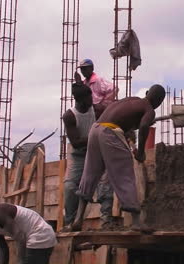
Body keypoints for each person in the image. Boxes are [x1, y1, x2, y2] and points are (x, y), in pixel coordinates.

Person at [69, 84, 166, 232]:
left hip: (95, 129)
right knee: (125, 173)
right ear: (159, 102)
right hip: (109, 131)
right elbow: (145, 126)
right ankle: (136, 222)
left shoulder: (131, 100)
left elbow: (124, 121)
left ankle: (78, 220)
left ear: (146, 92)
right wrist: (140, 153)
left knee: (90, 174)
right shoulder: (148, 109)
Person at [62, 83, 114, 229]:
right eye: (88, 97)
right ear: (79, 99)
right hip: (78, 155)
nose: (92, 99)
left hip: (97, 153)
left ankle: (106, 221)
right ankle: (70, 222)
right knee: (70, 186)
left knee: (104, 184)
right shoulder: (69, 116)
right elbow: (76, 142)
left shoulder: (97, 110)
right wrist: (96, 135)